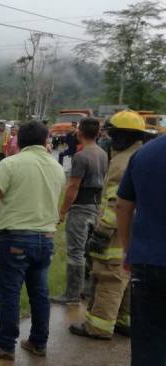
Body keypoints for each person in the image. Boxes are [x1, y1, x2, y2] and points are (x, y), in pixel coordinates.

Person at [0, 121, 65, 360]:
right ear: (46, 140)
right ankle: (38, 342)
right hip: (46, 239)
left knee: (10, 293)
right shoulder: (56, 167)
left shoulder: (10, 164)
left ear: (19, 140)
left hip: (14, 239)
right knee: (40, 293)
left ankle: (5, 345)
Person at [68, 110, 148, 340]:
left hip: (116, 235)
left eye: (113, 136)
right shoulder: (140, 156)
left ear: (122, 137)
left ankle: (99, 327)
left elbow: (116, 204)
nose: (110, 141)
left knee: (109, 278)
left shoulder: (121, 164)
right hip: (135, 233)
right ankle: (124, 321)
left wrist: (101, 232)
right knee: (124, 278)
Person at [116, 131, 166, 366]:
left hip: (148, 263)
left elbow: (123, 205)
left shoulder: (146, 154)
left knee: (149, 347)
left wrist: (128, 249)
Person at [52, 118, 109, 304]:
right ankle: (87, 289)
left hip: (80, 208)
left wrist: (62, 211)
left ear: (80, 133)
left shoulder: (81, 156)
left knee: (75, 252)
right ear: (98, 133)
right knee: (90, 252)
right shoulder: (102, 154)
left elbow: (73, 187)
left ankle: (72, 294)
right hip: (95, 207)